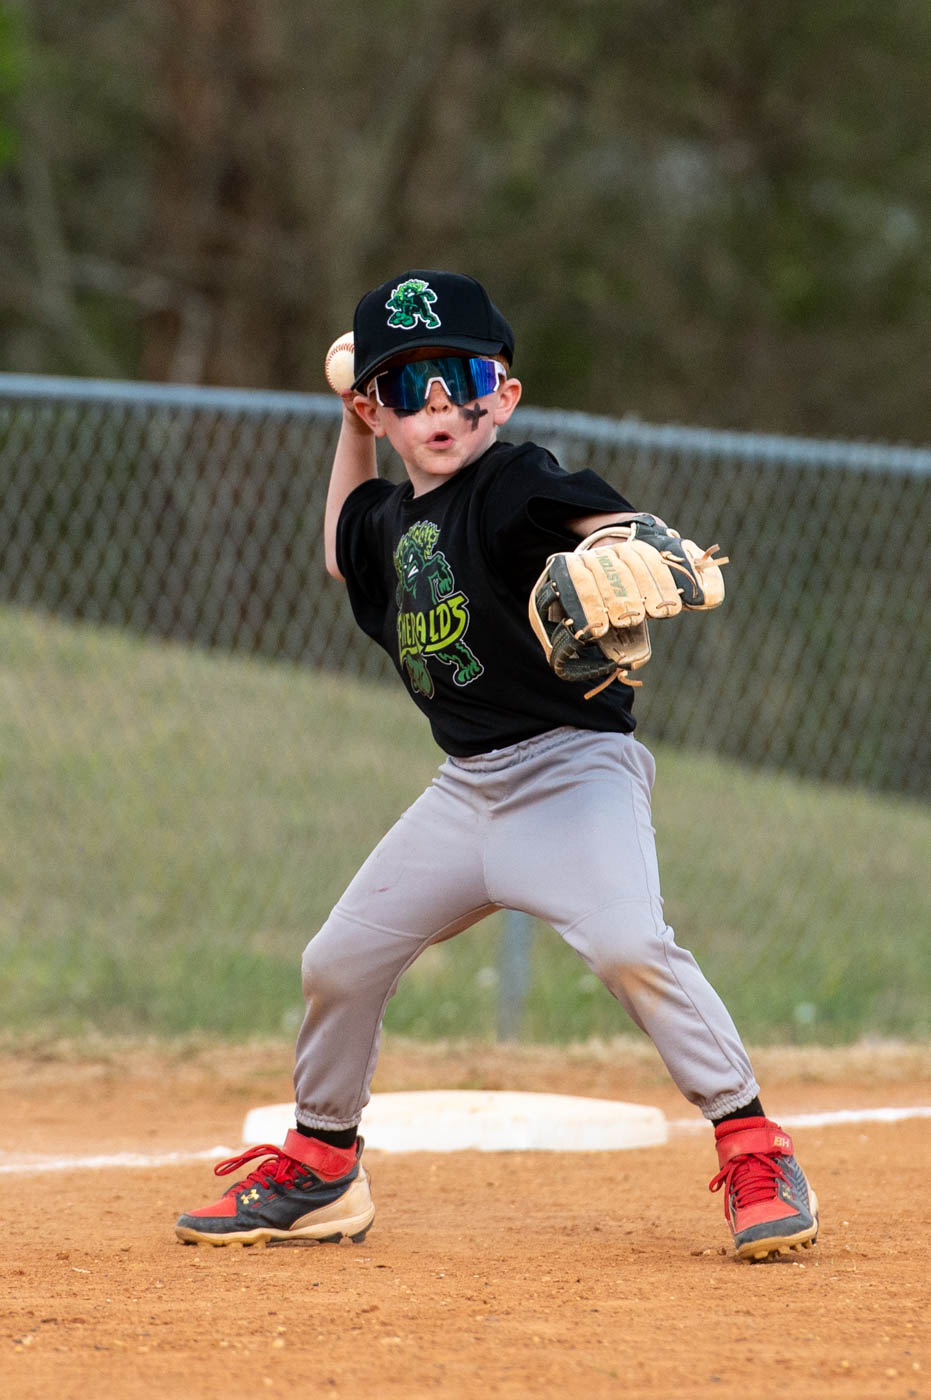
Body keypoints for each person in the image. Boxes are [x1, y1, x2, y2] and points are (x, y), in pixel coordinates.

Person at [176, 269, 819, 1262]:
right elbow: (343, 550)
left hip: (572, 774)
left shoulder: (516, 481)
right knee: (337, 962)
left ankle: (753, 1146)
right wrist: (346, 429)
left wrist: (625, 543)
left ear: (504, 394)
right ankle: (322, 1167)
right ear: (377, 409)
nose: (438, 402)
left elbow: (606, 524)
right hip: (465, 791)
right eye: (408, 384)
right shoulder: (389, 521)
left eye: (462, 377)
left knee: (628, 946)